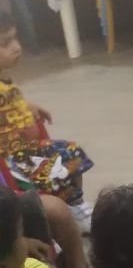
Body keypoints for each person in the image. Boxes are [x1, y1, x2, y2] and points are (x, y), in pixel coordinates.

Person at [0, 13, 94, 233]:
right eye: (5, 43)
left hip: (25, 151)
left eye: (15, 38)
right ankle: (50, 219)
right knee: (52, 169)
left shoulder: (4, 78)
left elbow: (11, 102)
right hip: (9, 161)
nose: (16, 47)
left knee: (71, 153)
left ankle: (75, 205)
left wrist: (27, 106)